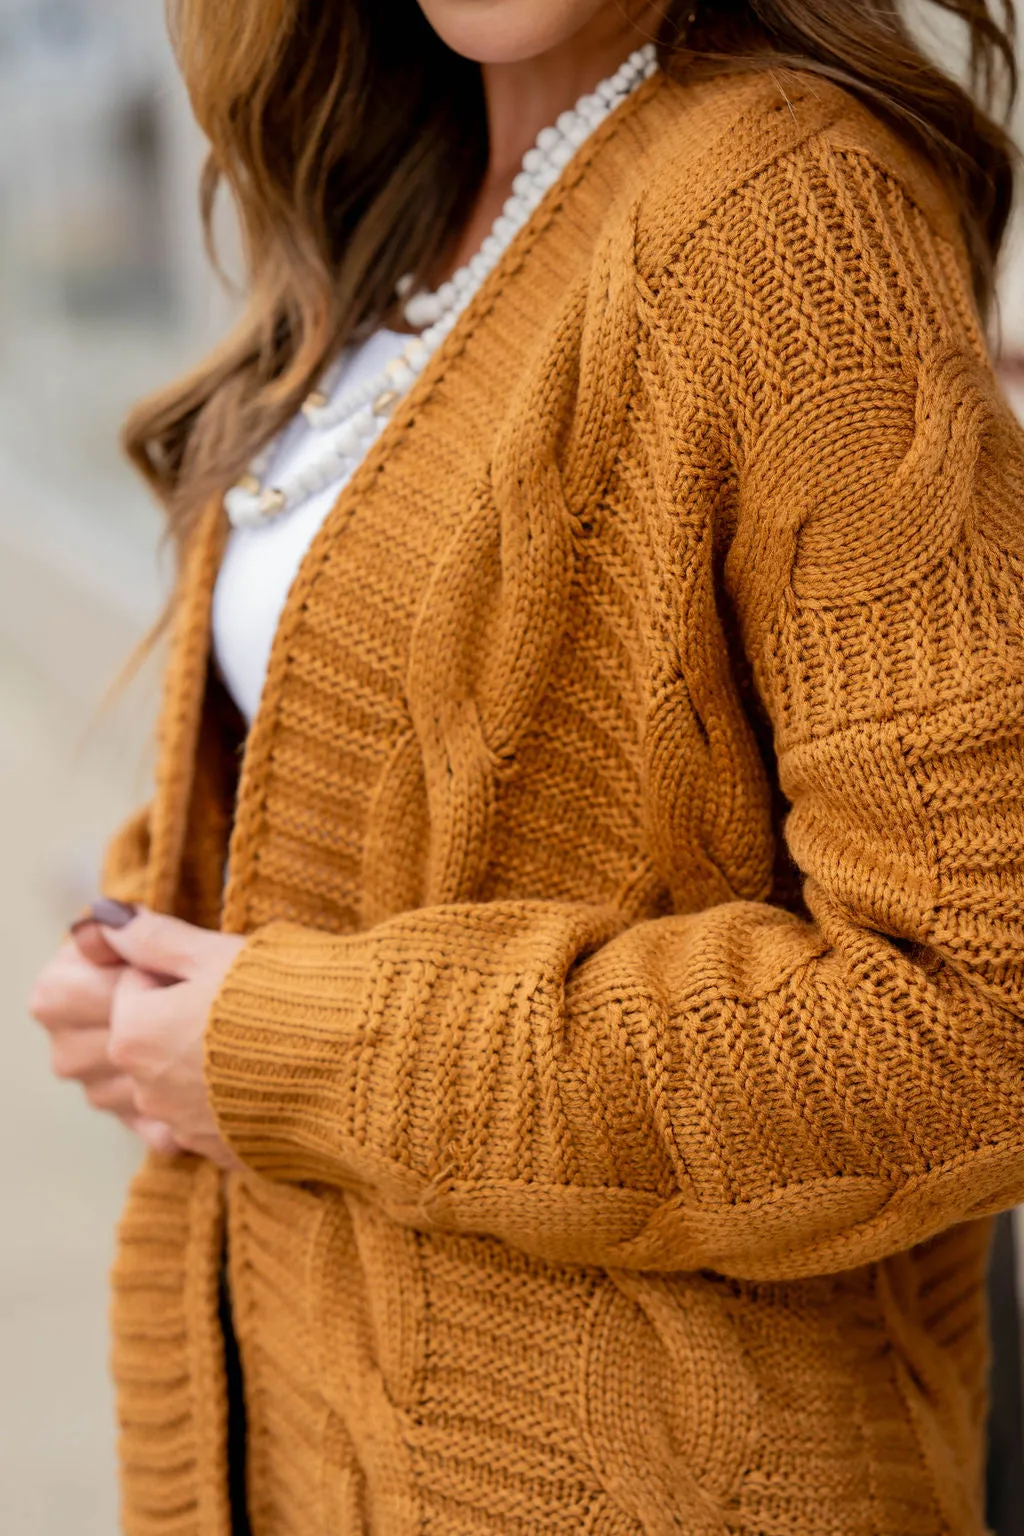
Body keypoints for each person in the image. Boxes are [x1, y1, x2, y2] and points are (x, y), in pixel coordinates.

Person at [28, 0, 1024, 1530]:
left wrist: (290, 1050)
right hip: (312, 1437)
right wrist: (158, 963)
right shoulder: (410, 206)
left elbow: (979, 1021)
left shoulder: (791, 209)